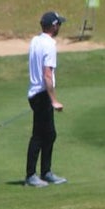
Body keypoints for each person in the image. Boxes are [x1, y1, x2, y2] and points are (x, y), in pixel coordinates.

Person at [25, 11, 67, 187]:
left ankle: (46, 172)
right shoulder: (49, 45)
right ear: (53, 26)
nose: (60, 27)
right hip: (42, 94)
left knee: (48, 134)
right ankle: (31, 175)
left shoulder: (36, 41)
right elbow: (47, 74)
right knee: (39, 136)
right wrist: (54, 100)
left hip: (35, 94)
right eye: (59, 24)